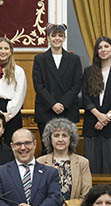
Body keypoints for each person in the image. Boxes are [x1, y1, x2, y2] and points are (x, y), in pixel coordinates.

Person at [32, 24, 82, 155]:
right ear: (48, 38)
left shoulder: (74, 59)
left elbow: (77, 85)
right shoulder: (40, 59)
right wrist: (53, 104)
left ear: (64, 38)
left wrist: (63, 104)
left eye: (60, 35)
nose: (57, 38)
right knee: (47, 149)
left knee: (68, 148)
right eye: (53, 35)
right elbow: (38, 85)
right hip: (46, 110)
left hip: (68, 110)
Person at [82, 36, 111, 174]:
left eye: (106, 47)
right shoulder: (89, 71)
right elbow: (85, 97)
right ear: (96, 51)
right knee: (92, 168)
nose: (103, 50)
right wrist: (98, 115)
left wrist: (106, 117)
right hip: (92, 124)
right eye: (100, 47)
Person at [0, 128, 61, 206]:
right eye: (18, 144)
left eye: (27, 143)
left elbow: (54, 198)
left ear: (34, 144)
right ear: (12, 146)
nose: (23, 148)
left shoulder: (50, 172)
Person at [37, 118, 92, 201]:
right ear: (49, 139)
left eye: (64, 135)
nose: (60, 139)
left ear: (71, 139)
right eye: (56, 135)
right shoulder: (40, 162)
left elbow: (86, 195)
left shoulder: (82, 162)